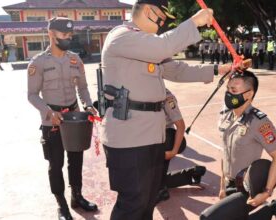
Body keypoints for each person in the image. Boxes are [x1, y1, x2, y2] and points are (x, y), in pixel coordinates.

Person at [100, 1, 235, 219]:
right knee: (133, 203)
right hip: (129, 137)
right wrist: (195, 22)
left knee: (148, 199)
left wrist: (219, 69)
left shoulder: (148, 46)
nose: (163, 24)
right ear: (147, 11)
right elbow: (163, 46)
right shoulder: (122, 36)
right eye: (161, 18)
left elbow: (177, 70)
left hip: (152, 134)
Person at [27, 17, 98, 220]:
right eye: (64, 35)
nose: (68, 38)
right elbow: (32, 95)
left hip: (75, 119)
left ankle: (77, 197)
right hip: (52, 122)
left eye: (70, 35)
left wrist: (89, 105)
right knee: (55, 163)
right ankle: (62, 205)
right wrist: (49, 112)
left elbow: (83, 88)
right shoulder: (38, 62)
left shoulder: (75, 59)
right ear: (51, 34)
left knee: (76, 160)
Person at [200, 70, 276, 220]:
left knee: (208, 218)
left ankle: (274, 205)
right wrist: (222, 185)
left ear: (249, 94)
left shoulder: (259, 122)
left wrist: (267, 192)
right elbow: (225, 153)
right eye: (228, 89)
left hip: (247, 188)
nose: (229, 94)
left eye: (234, 90)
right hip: (229, 184)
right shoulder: (226, 116)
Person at [156, 88, 207, 203]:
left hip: (164, 140)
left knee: (149, 184)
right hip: (149, 138)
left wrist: (173, 151)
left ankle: (160, 189)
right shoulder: (141, 91)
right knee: (148, 182)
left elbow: (181, 126)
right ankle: (192, 174)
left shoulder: (166, 97)